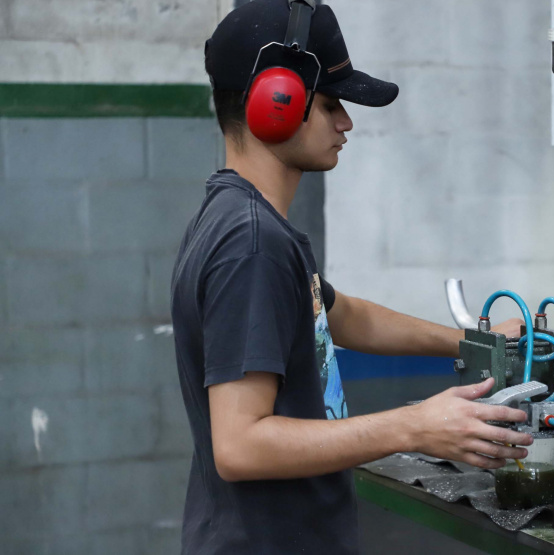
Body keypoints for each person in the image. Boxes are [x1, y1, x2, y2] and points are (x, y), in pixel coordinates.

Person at [170, 1, 532, 553]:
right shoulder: (252, 244)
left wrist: (469, 341)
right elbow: (240, 446)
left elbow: (339, 314)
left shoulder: (244, 221)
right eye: (332, 103)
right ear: (276, 103)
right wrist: (413, 427)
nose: (347, 123)